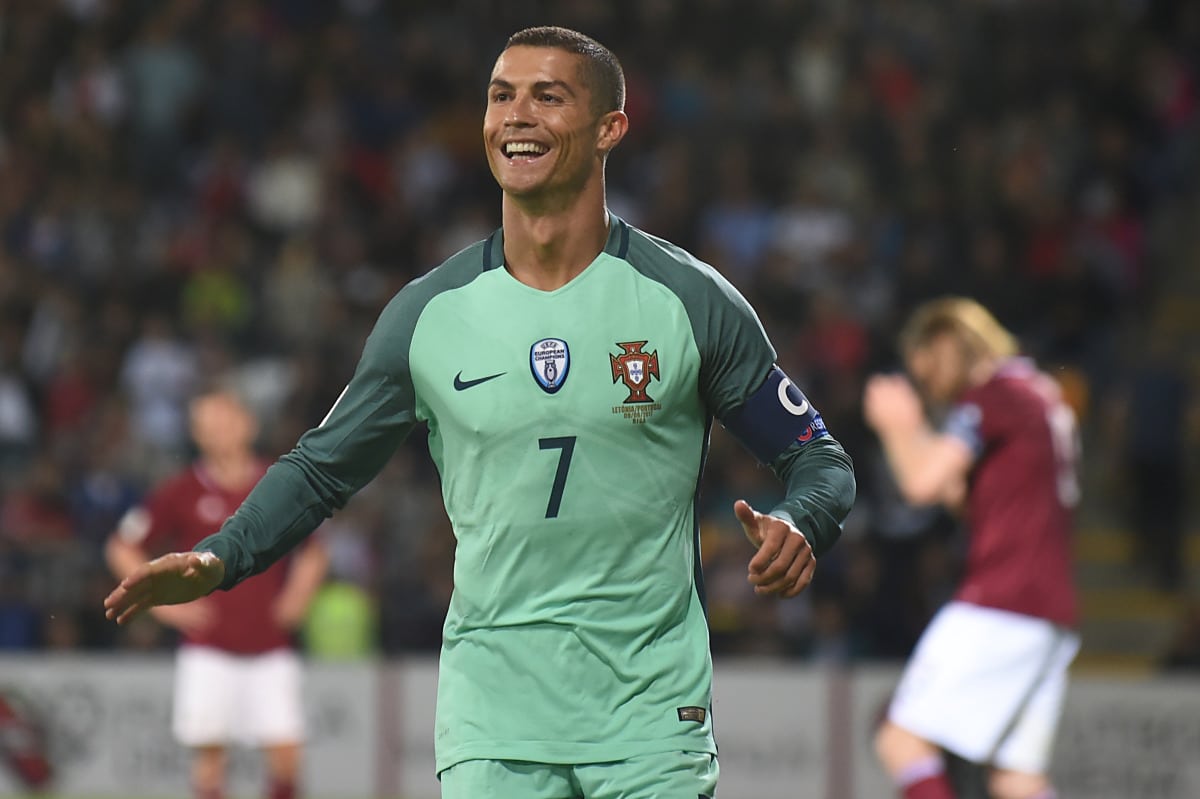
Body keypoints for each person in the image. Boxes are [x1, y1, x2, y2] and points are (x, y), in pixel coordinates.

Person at [105, 26, 855, 799]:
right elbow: (322, 467)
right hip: (492, 715)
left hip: (650, 711)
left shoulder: (688, 301)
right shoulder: (428, 315)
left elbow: (817, 456)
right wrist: (222, 556)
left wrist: (803, 520)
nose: (515, 115)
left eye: (548, 96)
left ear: (610, 128)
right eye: (502, 96)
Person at [863, 297, 1080, 799]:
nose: (933, 388)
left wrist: (898, 423)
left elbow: (921, 483)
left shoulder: (994, 395)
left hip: (1002, 599)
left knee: (900, 739)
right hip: (1049, 609)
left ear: (947, 345)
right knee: (1017, 779)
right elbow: (965, 497)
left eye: (930, 370)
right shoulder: (1038, 393)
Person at [105, 387, 328, 799]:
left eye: (224, 421)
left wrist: (298, 596)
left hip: (271, 644)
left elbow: (313, 551)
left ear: (248, 424)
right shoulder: (181, 490)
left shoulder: (274, 482)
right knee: (209, 761)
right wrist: (163, 607)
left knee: (285, 755)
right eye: (206, 426)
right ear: (197, 434)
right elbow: (122, 545)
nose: (217, 433)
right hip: (208, 646)